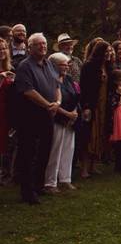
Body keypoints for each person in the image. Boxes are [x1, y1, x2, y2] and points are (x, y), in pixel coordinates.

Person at [15, 33, 60, 204]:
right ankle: (27, 192)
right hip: (29, 117)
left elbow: (56, 85)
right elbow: (28, 91)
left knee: (44, 151)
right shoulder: (24, 66)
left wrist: (57, 102)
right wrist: (48, 105)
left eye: (44, 43)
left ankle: (39, 185)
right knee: (28, 154)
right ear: (30, 47)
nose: (42, 46)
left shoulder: (49, 64)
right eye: (38, 44)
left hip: (47, 116)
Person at [44, 52, 80, 193]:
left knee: (68, 150)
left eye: (67, 64)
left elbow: (76, 96)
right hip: (57, 119)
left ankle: (65, 179)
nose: (66, 67)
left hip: (70, 119)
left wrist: (74, 114)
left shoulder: (69, 79)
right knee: (55, 151)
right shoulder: (51, 80)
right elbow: (53, 102)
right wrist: (67, 115)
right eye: (62, 64)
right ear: (53, 65)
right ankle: (50, 182)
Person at [79, 40, 115, 177]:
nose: (108, 54)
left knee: (100, 134)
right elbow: (84, 88)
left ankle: (94, 166)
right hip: (92, 105)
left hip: (104, 106)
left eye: (110, 52)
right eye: (106, 52)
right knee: (89, 136)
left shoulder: (108, 67)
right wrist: (86, 106)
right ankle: (84, 169)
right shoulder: (88, 66)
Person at [0, 39, 14, 183]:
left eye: (4, 48)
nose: (2, 51)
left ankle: (5, 174)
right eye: (0, 49)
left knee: (5, 142)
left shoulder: (9, 68)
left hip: (7, 110)